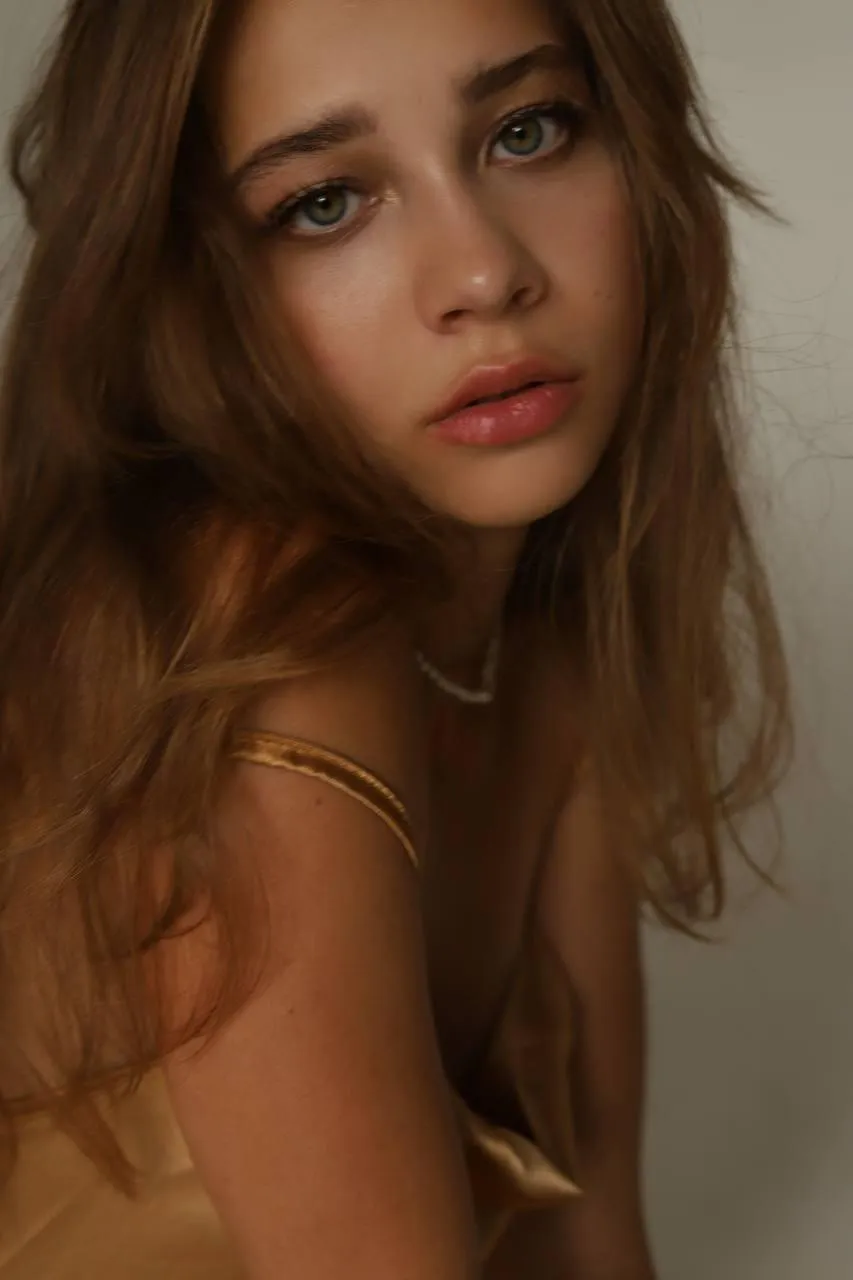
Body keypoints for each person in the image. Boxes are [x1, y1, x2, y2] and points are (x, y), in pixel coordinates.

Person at [0, 0, 792, 1276]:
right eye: (324, 203)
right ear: (186, 296)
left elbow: (588, 1238)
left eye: (528, 130)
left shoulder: (538, 638)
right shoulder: (256, 657)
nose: (484, 273)